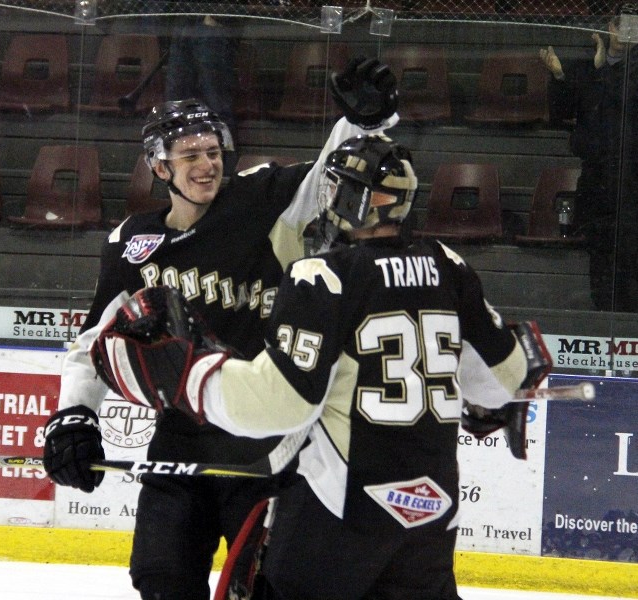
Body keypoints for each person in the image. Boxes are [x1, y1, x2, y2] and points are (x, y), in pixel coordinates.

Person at [93, 134, 548, 600]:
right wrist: (489, 400)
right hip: (429, 512)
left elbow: (281, 405)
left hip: (339, 514)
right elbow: (506, 382)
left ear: (351, 199)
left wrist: (188, 376)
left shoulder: (325, 276)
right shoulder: (449, 265)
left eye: (333, 189)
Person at [41, 56, 399, 600]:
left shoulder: (259, 200)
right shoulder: (133, 242)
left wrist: (365, 123)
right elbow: (96, 339)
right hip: (179, 436)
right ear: (160, 169)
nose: (206, 165)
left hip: (263, 438)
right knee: (160, 577)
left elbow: (334, 171)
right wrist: (72, 418)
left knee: (261, 585)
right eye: (190, 156)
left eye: (212, 153)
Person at [539, 2, 638, 311]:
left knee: (627, 252)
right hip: (596, 175)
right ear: (610, 27)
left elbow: (625, 101)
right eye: (622, 24)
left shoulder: (627, 70)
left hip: (630, 178)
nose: (627, 31)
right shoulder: (587, 68)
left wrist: (602, 70)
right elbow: (563, 114)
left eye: (634, 25)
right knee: (600, 251)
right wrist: (558, 77)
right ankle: (602, 313)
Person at [165, 15, 240, 174]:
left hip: (212, 26)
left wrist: (213, 17)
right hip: (183, 24)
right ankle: (179, 167)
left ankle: (225, 172)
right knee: (176, 103)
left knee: (217, 104)